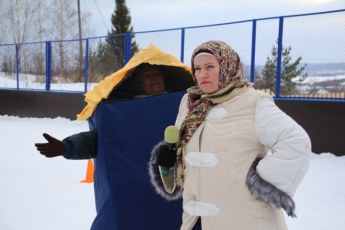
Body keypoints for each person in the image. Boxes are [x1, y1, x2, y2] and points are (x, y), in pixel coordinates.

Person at [148, 40, 311, 230]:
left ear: (227, 66)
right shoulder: (189, 103)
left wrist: (261, 184)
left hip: (245, 220)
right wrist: (169, 161)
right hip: (196, 220)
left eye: (210, 66)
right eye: (197, 68)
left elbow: (297, 142)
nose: (202, 74)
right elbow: (185, 154)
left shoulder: (254, 103)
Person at [35, 63, 166, 159]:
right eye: (148, 76)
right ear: (139, 83)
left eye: (157, 74)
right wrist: (67, 147)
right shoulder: (126, 109)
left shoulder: (182, 103)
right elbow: (104, 138)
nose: (154, 78)